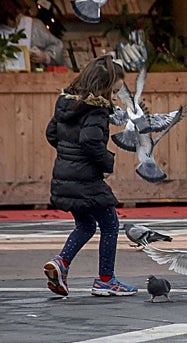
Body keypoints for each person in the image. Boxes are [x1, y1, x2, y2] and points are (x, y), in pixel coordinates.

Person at [43, 55, 137, 297]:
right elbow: (90, 141)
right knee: (110, 224)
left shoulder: (66, 104)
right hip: (86, 179)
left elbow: (51, 133)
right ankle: (105, 279)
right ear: (104, 86)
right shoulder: (95, 110)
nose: (115, 97)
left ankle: (61, 263)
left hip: (65, 174)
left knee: (85, 224)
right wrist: (107, 161)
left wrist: (68, 155)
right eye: (114, 91)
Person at [0, 0, 65, 68]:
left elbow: (57, 45)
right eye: (11, 19)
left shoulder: (34, 26)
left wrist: (45, 57)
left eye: (18, 15)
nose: (17, 21)